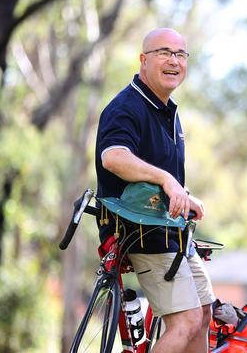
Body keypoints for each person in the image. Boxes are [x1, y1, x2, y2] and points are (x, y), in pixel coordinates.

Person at [95, 28, 215, 352]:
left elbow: (161, 173)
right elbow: (114, 157)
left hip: (170, 228)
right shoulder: (127, 107)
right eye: (164, 52)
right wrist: (167, 180)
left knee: (204, 313)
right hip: (140, 229)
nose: (173, 61)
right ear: (143, 60)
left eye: (180, 54)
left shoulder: (167, 111)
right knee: (186, 320)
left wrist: (183, 194)